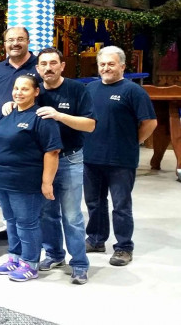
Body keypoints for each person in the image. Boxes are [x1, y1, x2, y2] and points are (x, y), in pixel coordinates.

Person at [83, 46, 157, 267]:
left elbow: (150, 123)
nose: (106, 68)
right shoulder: (90, 88)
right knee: (94, 203)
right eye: (102, 64)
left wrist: (132, 141)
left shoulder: (134, 91)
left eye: (111, 64)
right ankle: (96, 239)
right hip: (91, 158)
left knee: (121, 205)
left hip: (121, 160)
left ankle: (124, 247)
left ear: (123, 66)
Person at [32, 47, 95, 284]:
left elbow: (89, 125)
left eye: (53, 63)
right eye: (43, 64)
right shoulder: (35, 90)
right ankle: (54, 254)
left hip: (70, 159)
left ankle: (79, 263)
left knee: (71, 215)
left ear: (62, 66)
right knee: (47, 213)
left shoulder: (77, 89)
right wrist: (9, 106)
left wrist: (59, 115)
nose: (48, 68)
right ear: (38, 68)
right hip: (43, 161)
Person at [0, 75, 61, 282]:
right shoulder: (8, 113)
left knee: (27, 223)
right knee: (11, 221)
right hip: (2, 179)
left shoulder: (41, 118)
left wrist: (47, 182)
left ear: (36, 92)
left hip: (25, 181)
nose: (18, 92)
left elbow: (52, 151)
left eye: (25, 89)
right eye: (16, 88)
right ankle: (15, 257)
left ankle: (30, 263)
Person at [0, 26, 39, 239]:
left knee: (26, 189)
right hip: (2, 139)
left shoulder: (38, 67)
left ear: (28, 41)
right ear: (4, 44)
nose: (15, 43)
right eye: (10, 40)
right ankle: (12, 229)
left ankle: (31, 233)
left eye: (20, 39)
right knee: (4, 185)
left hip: (28, 140)